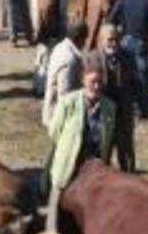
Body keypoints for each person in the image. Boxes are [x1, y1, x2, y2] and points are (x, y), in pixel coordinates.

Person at [44, 52, 116, 234]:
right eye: (93, 82)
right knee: (57, 216)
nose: (97, 86)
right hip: (69, 165)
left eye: (100, 82)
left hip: (95, 170)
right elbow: (54, 132)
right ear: (83, 80)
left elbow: (109, 140)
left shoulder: (110, 107)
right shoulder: (68, 102)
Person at [108, 0, 148, 119]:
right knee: (141, 75)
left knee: (123, 74)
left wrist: (118, 28)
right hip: (142, 39)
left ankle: (124, 107)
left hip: (126, 38)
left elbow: (111, 17)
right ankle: (144, 110)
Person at [98, 24, 137, 173]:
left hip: (124, 115)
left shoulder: (127, 57)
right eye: (109, 40)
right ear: (101, 40)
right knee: (103, 155)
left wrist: (142, 106)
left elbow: (136, 83)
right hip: (103, 116)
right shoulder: (93, 58)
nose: (113, 44)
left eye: (116, 40)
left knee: (126, 156)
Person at [42, 22, 88, 127]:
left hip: (54, 112)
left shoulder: (59, 47)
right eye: (85, 39)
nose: (85, 43)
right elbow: (65, 94)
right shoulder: (70, 59)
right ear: (79, 38)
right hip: (60, 117)